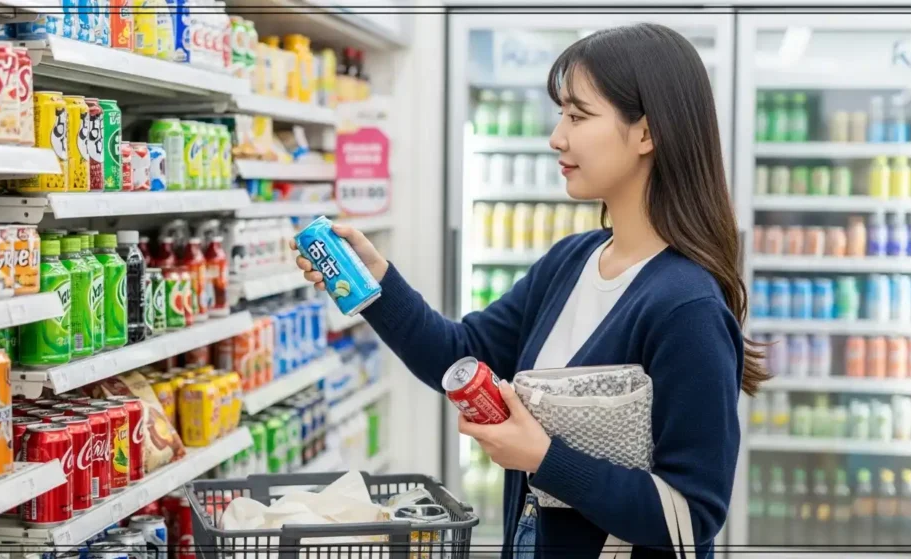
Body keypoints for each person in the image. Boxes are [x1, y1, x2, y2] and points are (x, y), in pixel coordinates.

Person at [291, 23, 767, 559]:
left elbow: (692, 514)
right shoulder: (573, 260)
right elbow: (458, 357)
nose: (556, 136)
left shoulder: (685, 306)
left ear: (646, 133)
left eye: (578, 115)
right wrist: (374, 281)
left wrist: (544, 458)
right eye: (561, 113)